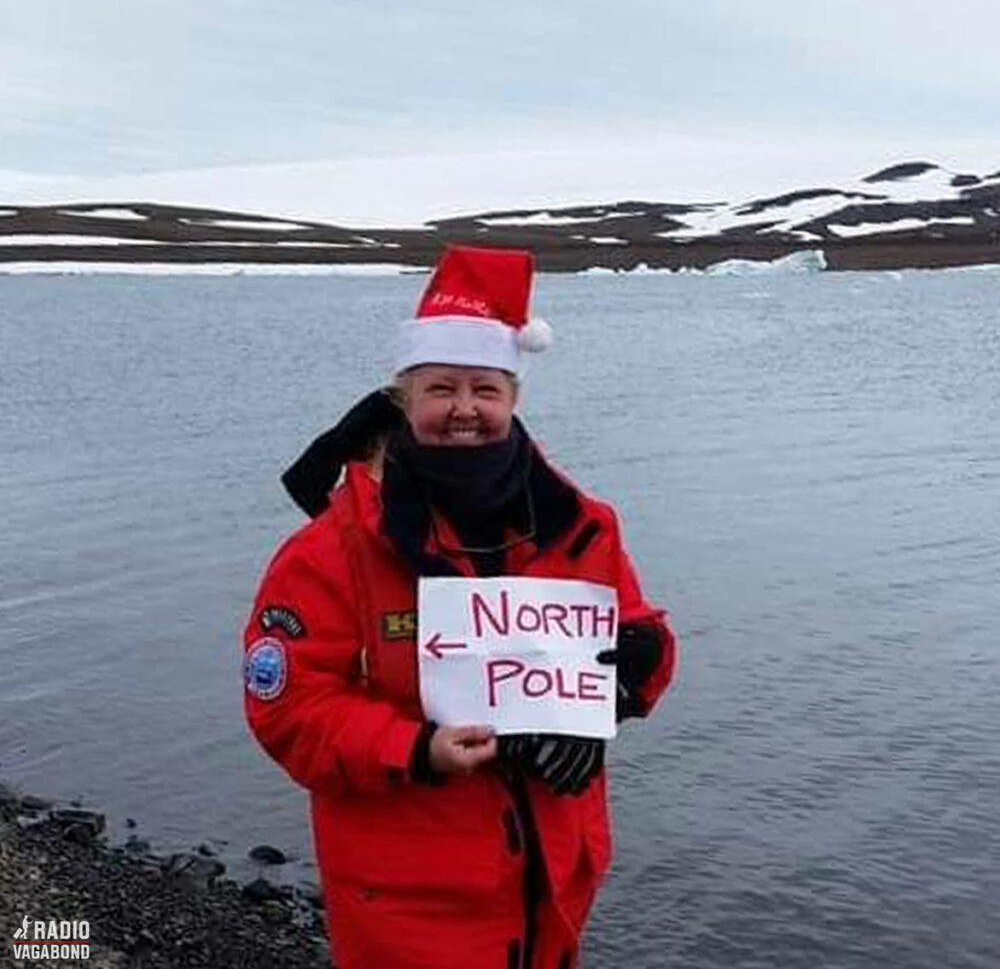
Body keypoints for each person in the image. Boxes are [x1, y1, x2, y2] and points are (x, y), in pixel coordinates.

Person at [243, 245, 676, 969]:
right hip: (410, 900)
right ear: (404, 399)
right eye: (442, 388)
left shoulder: (581, 523)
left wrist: (627, 676)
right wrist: (417, 750)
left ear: (513, 398)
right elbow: (288, 708)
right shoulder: (329, 552)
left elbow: (638, 635)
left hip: (553, 878)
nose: (465, 409)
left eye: (486, 388)